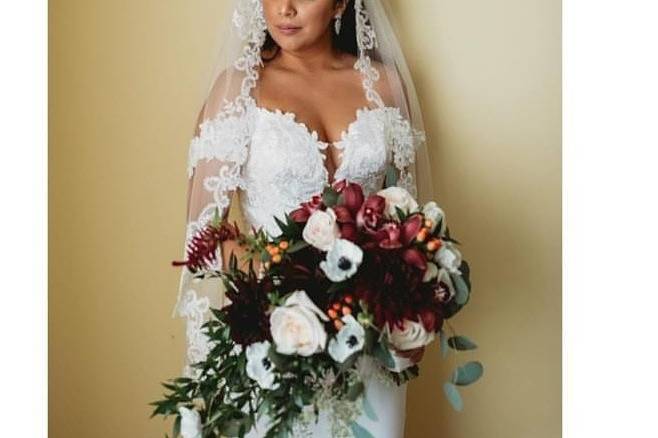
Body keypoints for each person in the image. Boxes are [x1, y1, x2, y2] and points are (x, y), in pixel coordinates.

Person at [173, 0, 434, 436]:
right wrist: (291, 280)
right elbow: (204, 234)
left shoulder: (384, 88)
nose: (285, 8)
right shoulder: (237, 90)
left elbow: (405, 221)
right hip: (276, 342)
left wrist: (412, 308)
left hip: (367, 346)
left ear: (342, 3)